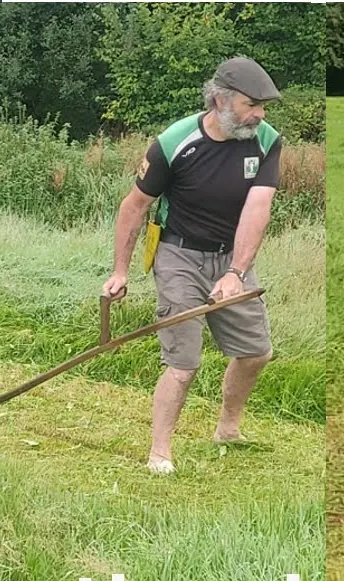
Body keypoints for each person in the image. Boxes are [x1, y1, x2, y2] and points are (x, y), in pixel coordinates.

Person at [102, 56, 283, 475]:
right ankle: (160, 452)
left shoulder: (266, 140)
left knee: (256, 353)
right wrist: (120, 271)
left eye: (262, 106)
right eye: (251, 104)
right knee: (183, 364)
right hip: (178, 254)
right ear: (220, 100)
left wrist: (236, 273)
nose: (259, 114)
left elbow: (258, 208)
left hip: (231, 257)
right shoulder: (174, 142)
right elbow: (134, 207)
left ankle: (228, 429)